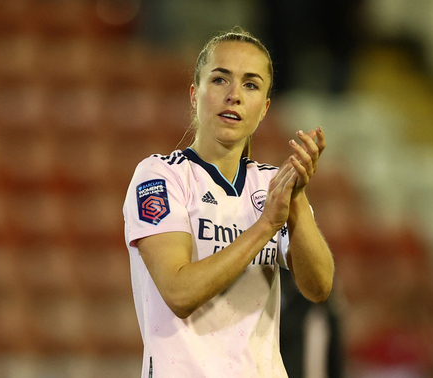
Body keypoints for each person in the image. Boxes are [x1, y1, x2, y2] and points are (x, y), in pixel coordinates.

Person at [123, 27, 335, 377]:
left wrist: (295, 200)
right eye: (220, 80)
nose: (234, 95)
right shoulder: (160, 177)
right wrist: (266, 225)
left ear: (265, 107)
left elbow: (318, 287)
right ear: (195, 94)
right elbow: (179, 292)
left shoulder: (272, 185)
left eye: (250, 85)